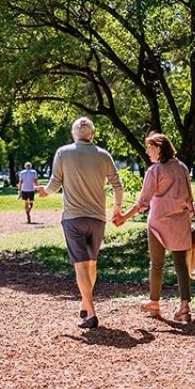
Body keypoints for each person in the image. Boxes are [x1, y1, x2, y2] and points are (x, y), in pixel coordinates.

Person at [37, 117, 124, 329]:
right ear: (92, 134)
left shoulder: (63, 153)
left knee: (80, 267)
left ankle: (91, 313)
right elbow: (117, 185)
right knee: (91, 264)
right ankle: (85, 303)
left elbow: (55, 183)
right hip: (97, 218)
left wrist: (44, 192)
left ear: (73, 134)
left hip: (73, 218)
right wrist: (116, 209)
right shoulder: (104, 155)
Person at [117, 131, 195, 323]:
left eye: (150, 147)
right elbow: (190, 200)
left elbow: (143, 202)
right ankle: (184, 306)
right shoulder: (182, 168)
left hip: (158, 223)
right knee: (181, 265)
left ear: (159, 148)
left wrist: (123, 217)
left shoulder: (155, 171)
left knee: (157, 264)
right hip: (180, 222)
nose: (146, 151)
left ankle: (154, 303)